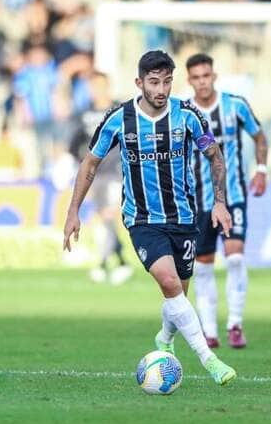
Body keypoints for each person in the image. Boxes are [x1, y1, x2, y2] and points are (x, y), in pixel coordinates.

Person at [63, 50, 237, 386]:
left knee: (177, 297)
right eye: (154, 82)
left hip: (185, 218)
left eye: (167, 81)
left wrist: (219, 203)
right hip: (142, 219)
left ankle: (164, 339)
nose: (161, 89)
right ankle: (210, 360)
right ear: (139, 82)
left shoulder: (188, 115)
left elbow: (215, 157)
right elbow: (90, 164)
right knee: (170, 285)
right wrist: (73, 211)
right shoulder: (119, 118)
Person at [184, 54, 267, 349]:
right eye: (196, 77)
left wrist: (261, 170)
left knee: (234, 257)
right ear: (189, 80)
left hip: (233, 195)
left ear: (214, 76)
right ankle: (209, 331)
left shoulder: (236, 105)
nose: (202, 81)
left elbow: (259, 137)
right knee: (203, 265)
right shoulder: (185, 112)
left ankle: (234, 323)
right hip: (198, 201)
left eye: (206, 75)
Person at [68, 72, 132, 285]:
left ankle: (103, 263)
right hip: (95, 174)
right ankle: (122, 261)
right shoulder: (84, 114)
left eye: (101, 86)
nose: (98, 90)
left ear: (108, 86)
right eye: (93, 86)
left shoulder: (120, 110)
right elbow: (74, 142)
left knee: (108, 215)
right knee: (105, 217)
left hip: (117, 171)